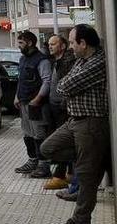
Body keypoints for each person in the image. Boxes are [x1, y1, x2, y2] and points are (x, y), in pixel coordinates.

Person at [41, 24, 110, 224]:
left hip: (90, 122)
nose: (70, 46)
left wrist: (67, 86)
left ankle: (81, 219)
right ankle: (94, 158)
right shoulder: (81, 60)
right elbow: (63, 84)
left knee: (87, 176)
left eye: (72, 42)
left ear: (83, 43)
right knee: (48, 148)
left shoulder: (97, 62)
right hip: (74, 121)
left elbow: (65, 85)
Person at [13, 30, 53, 179]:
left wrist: (37, 99)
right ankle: (32, 160)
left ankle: (44, 164)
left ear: (30, 43)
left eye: (21, 43)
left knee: (39, 134)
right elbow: (21, 79)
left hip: (37, 105)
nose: (19, 46)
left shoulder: (42, 60)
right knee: (27, 133)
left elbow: (46, 81)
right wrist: (17, 96)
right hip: (24, 103)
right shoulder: (23, 59)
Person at [44, 34, 76, 190]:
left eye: (53, 44)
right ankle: (69, 172)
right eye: (49, 44)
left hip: (64, 108)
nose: (50, 46)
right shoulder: (55, 62)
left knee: (63, 142)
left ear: (62, 46)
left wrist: (64, 105)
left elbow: (68, 87)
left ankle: (60, 174)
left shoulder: (68, 62)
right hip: (55, 106)